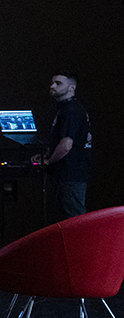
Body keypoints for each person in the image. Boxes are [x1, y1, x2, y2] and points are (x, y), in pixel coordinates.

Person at [38, 71, 91, 221]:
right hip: (70, 173)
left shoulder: (71, 111)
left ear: (72, 87)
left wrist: (49, 161)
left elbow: (66, 145)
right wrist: (46, 154)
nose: (52, 86)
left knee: (74, 219)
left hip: (70, 174)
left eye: (58, 83)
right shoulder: (68, 110)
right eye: (52, 83)